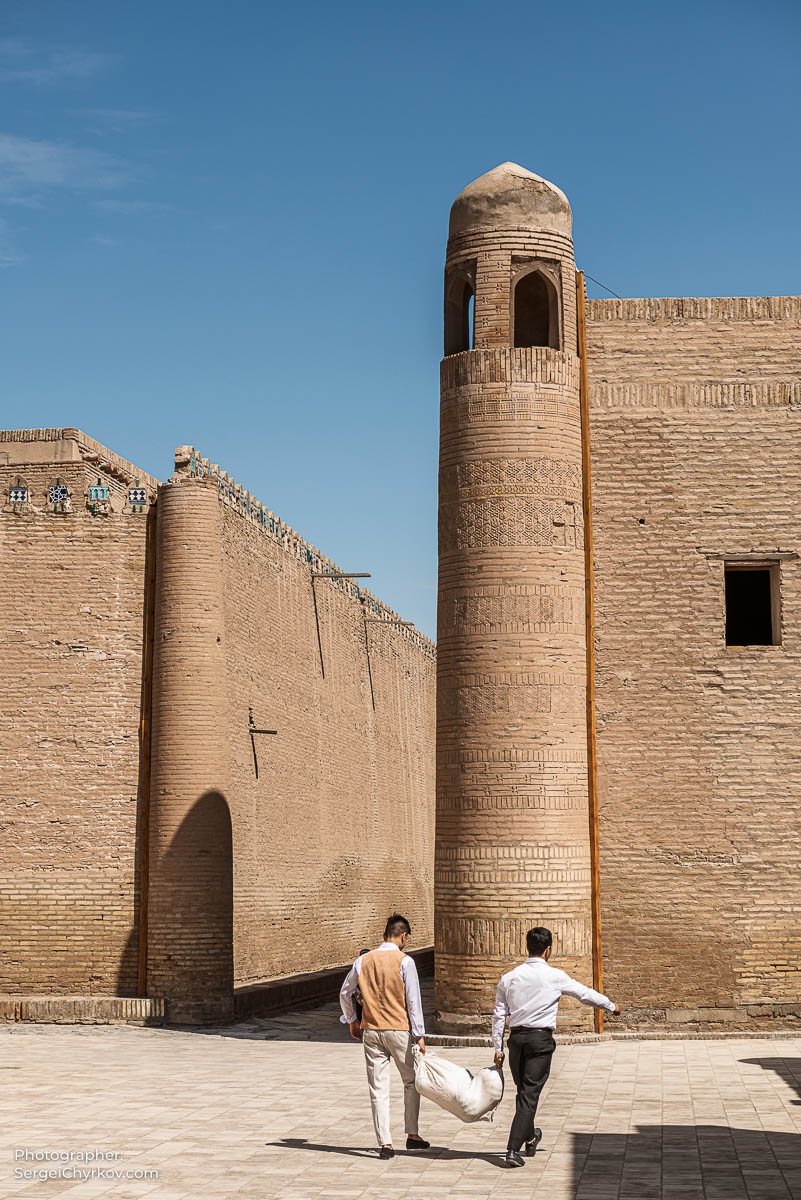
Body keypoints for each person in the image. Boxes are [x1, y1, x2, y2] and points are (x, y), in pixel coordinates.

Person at [493, 926, 621, 1168]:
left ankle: (531, 1138)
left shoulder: (508, 978)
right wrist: (610, 1006)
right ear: (548, 950)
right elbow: (584, 994)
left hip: (516, 1042)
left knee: (524, 1093)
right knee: (529, 1096)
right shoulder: (555, 976)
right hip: (540, 1041)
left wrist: (498, 1048)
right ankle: (512, 1149)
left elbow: (499, 1015)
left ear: (527, 948)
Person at [340, 914, 431, 1159]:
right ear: (403, 936)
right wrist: (419, 1034)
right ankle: (412, 1134)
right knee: (411, 1082)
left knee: (378, 1088)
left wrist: (352, 1020)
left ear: (384, 934)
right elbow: (413, 1001)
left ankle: (385, 1143)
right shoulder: (405, 961)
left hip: (371, 1030)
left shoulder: (363, 960)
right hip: (399, 1030)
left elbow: (345, 992)